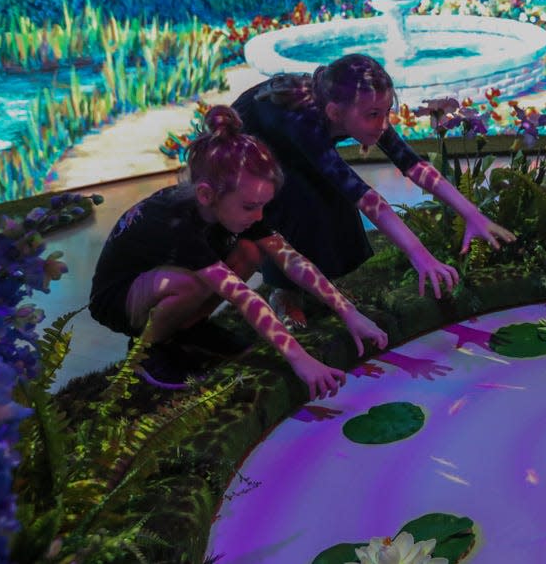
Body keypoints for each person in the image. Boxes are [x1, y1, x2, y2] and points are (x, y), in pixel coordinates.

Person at [88, 106, 387, 397]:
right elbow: (240, 295)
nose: (259, 216)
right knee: (189, 284)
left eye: (262, 206)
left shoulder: (232, 206)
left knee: (249, 251)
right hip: (119, 299)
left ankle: (188, 329)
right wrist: (300, 359)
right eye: (250, 207)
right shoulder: (178, 222)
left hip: (159, 281)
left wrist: (349, 313)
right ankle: (148, 349)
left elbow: (291, 259)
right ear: (207, 195)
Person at [232, 53, 515, 324]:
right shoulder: (305, 122)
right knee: (301, 203)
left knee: (333, 202)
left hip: (289, 148)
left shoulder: (354, 109)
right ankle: (284, 292)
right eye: (373, 115)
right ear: (334, 112)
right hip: (248, 154)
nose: (382, 124)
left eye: (387, 112)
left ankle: (319, 284)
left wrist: (473, 215)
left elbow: (412, 165)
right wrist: (420, 255)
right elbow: (364, 197)